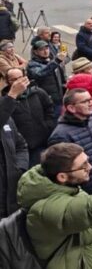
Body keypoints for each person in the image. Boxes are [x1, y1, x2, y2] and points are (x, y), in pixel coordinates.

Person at [17, 131, 92, 268]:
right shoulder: (47, 208)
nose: (90, 167)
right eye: (83, 165)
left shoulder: (60, 185)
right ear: (62, 177)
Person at [48, 88, 92, 194]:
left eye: (90, 100)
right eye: (85, 102)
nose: (91, 104)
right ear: (71, 108)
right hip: (86, 194)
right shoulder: (61, 135)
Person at [2, 68, 53, 168]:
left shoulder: (38, 92)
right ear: (8, 82)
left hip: (43, 141)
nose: (18, 81)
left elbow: (49, 108)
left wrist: (48, 126)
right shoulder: (6, 102)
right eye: (13, 79)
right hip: (24, 147)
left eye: (20, 77)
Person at [0, 76, 30, 216]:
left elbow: (21, 145)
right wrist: (11, 96)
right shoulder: (5, 109)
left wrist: (19, 168)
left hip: (11, 194)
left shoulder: (7, 117)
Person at [27, 40, 67, 118]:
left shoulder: (52, 61)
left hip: (59, 99)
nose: (45, 51)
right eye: (42, 49)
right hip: (47, 100)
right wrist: (57, 61)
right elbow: (40, 73)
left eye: (47, 48)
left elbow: (61, 79)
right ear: (35, 52)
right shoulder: (33, 64)